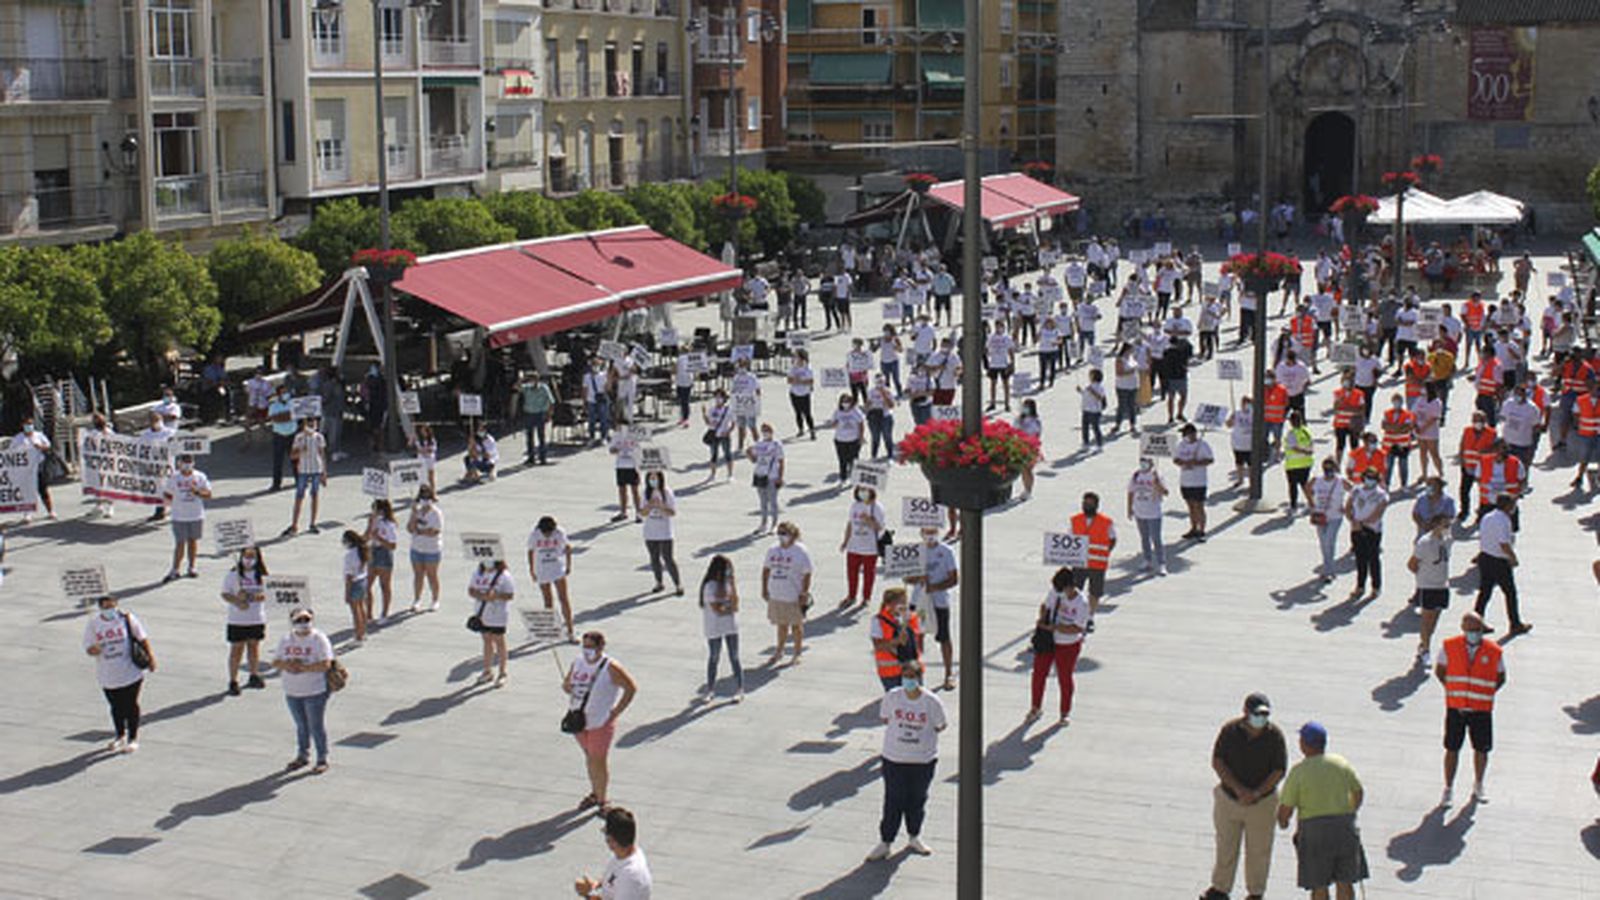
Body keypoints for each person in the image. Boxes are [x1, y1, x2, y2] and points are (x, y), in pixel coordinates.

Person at [1203, 693, 1287, 900]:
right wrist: (1238, 789)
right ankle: (1220, 888)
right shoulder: (1230, 731)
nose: (1261, 718)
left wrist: (1257, 793)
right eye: (1257, 714)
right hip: (1229, 799)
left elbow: (1278, 770)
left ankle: (1255, 892)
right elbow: (1218, 761)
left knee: (1259, 851)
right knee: (1226, 846)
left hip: (1262, 803)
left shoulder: (1274, 735)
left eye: (1264, 714)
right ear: (1246, 712)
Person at [865, 658, 947, 862]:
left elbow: (940, 725)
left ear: (919, 678)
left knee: (917, 799)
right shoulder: (892, 697)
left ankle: (914, 836)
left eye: (912, 677)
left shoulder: (931, 701)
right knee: (893, 800)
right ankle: (886, 842)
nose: (908, 681)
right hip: (894, 758)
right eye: (905, 677)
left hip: (922, 760)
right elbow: (886, 718)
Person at [1276, 722, 1368, 900]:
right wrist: (1350, 812)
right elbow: (1358, 792)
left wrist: (1283, 822)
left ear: (1304, 744)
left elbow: (1285, 809)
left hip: (1314, 832)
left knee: (1319, 884)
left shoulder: (1299, 772)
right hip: (1344, 828)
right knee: (1345, 881)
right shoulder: (1340, 763)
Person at [1434, 611, 1504, 806]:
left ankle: (1478, 784)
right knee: (1452, 748)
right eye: (1471, 630)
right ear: (1463, 629)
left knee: (1481, 749)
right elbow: (1440, 671)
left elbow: (1500, 677)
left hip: (1481, 709)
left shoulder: (1494, 651)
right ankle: (1448, 788)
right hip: (1456, 708)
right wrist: (1454, 691)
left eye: (1478, 630)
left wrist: (1484, 693)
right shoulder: (1450, 646)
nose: (1475, 633)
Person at [564, 631, 638, 813]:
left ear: (600, 647)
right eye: (585, 646)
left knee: (598, 760)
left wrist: (616, 712)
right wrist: (568, 687)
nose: (587, 650)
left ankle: (602, 798)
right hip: (579, 720)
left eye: (591, 647)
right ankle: (595, 792)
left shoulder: (610, 667)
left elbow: (630, 688)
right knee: (590, 759)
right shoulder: (578, 662)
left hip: (600, 722)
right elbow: (567, 683)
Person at [83, 594, 155, 753]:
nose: (110, 609)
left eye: (112, 606)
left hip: (130, 671)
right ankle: (120, 735)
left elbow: (142, 638)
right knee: (116, 706)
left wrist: (151, 658)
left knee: (131, 704)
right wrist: (94, 649)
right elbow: (88, 647)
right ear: (100, 608)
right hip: (108, 674)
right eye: (106, 607)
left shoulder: (127, 619)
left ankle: (133, 738)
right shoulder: (93, 625)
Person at [274, 607, 333, 774]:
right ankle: (302, 755)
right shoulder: (286, 639)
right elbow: (276, 661)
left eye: (306, 619)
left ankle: (322, 758)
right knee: (301, 725)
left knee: (316, 725)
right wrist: (288, 665)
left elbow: (326, 664)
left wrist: (304, 667)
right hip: (292, 691)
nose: (303, 623)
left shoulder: (318, 639)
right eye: (299, 620)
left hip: (315, 690)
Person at [1027, 567, 1090, 724]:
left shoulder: (1081, 602)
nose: (1059, 592)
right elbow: (1045, 606)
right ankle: (1035, 707)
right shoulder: (1056, 592)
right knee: (1039, 674)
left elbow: (1077, 628)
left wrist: (1056, 627)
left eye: (1062, 590)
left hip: (1068, 644)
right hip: (1048, 641)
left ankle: (1064, 712)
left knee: (1064, 677)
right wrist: (1043, 618)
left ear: (1070, 587)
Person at [905, 526, 958, 690]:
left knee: (944, 637)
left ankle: (949, 673)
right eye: (926, 532)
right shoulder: (915, 551)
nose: (930, 536)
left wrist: (935, 587)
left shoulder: (946, 551)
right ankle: (917, 674)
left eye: (933, 532)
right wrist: (918, 578)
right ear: (921, 533)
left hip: (939, 601)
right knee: (917, 637)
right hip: (918, 601)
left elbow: (954, 579)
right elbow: (907, 577)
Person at [1474, 493, 1528, 636]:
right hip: (1499, 561)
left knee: (1484, 592)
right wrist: (1513, 558)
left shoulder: (1487, 516)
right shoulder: (1504, 520)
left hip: (1485, 557)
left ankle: (1476, 621)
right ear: (1508, 506)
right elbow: (1504, 543)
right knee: (1510, 593)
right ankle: (1515, 624)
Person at [762, 522, 814, 665]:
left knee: (796, 626)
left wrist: (804, 592)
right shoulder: (772, 549)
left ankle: (797, 653)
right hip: (777, 593)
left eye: (784, 533)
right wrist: (764, 589)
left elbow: (807, 573)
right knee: (781, 625)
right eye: (779, 533)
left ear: (792, 534)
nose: (781, 536)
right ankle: (779, 651)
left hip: (793, 594)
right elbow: (766, 569)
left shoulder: (800, 551)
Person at [574, 807, 652, 900]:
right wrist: (596, 884)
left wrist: (587, 894)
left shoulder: (630, 876)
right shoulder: (629, 854)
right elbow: (614, 880)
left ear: (611, 841)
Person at [221, 547, 269, 696]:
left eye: (252, 556)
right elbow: (225, 593)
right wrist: (237, 601)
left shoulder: (261, 575)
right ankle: (233, 681)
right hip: (237, 619)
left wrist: (257, 597)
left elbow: (268, 592)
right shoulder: (233, 574)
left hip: (256, 618)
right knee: (237, 650)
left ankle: (254, 674)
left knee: (254, 648)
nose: (249, 559)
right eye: (246, 556)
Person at [1408, 517, 1454, 665]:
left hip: (1442, 585)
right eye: (1444, 524)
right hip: (1428, 586)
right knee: (1426, 619)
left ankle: (1423, 644)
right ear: (1435, 525)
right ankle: (1426, 649)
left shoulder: (1447, 540)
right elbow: (1412, 564)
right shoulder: (1425, 542)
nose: (1447, 527)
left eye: (1448, 524)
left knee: (1434, 620)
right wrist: (1423, 577)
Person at [698, 554, 743, 702]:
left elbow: (735, 605)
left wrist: (733, 584)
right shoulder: (709, 586)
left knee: (734, 657)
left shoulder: (728, 584)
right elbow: (718, 609)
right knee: (714, 657)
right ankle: (710, 689)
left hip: (730, 626)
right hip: (714, 626)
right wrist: (728, 607)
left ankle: (739, 689)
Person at [160, 453, 211, 583]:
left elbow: (208, 494)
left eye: (190, 462)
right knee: (180, 543)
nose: (187, 465)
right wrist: (169, 506)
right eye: (185, 462)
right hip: (179, 516)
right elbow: (167, 494)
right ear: (179, 463)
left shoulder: (200, 476)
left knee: (193, 541)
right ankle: (175, 569)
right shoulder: (174, 478)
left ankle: (192, 567)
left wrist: (198, 492)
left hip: (195, 514)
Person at [1069, 491, 1117, 626]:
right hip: (1080, 562)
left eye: (1089, 503)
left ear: (1096, 505)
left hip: (1097, 563)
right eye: (1084, 503)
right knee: (1076, 590)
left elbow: (1112, 539)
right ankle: (1076, 614)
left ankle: (1090, 617)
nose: (1086, 506)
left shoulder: (1106, 522)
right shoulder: (1075, 520)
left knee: (1094, 592)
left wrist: (1105, 553)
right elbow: (1070, 539)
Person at [468, 557, 515, 687]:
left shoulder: (504, 575)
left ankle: (502, 672)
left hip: (498, 615)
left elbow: (510, 595)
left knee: (499, 641)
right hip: (482, 614)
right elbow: (471, 590)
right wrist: (481, 596)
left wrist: (496, 596)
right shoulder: (478, 573)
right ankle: (487, 671)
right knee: (486, 640)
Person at [529, 514, 577, 640]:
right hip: (542, 568)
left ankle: (570, 630)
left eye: (549, 533)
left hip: (557, 568)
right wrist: (532, 570)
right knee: (548, 600)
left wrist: (568, 565)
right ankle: (551, 629)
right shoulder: (535, 534)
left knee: (564, 599)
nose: (547, 535)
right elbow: (530, 551)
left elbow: (567, 548)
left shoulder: (559, 532)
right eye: (545, 533)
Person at [841, 485, 887, 609]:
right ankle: (851, 596)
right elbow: (850, 524)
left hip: (870, 548)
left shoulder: (877, 507)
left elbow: (880, 528)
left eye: (865, 490)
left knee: (868, 574)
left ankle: (866, 598)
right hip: (854, 546)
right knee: (852, 573)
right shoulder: (855, 505)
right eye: (861, 489)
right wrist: (845, 541)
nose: (863, 492)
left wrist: (868, 520)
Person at [1344, 471, 1387, 599]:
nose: (1370, 480)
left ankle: (1376, 587)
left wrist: (1362, 524)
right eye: (1368, 478)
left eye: (1373, 478)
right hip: (1356, 528)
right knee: (1360, 559)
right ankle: (1360, 586)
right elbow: (1348, 506)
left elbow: (1378, 513)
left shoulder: (1381, 494)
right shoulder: (1356, 490)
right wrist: (1352, 520)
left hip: (1372, 530)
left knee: (1373, 559)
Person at [869, 587, 923, 691]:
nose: (904, 605)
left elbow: (918, 641)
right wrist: (896, 641)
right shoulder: (878, 621)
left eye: (905, 601)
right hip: (891, 672)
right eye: (900, 602)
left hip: (912, 669)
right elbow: (878, 646)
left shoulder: (912, 618)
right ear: (889, 604)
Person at [640, 471, 683, 595]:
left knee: (668, 558)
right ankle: (659, 582)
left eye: (655, 478)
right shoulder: (645, 493)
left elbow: (672, 512)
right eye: (650, 478)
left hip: (664, 532)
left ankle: (678, 584)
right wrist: (649, 506)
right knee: (654, 558)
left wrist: (661, 506)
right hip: (650, 532)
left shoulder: (667, 492)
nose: (653, 481)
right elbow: (642, 513)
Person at [283, 416, 326, 536]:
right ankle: (294, 524)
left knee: (315, 495)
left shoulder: (319, 437)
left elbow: (322, 455)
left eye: (314, 423)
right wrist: (301, 450)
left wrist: (324, 473)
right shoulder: (299, 437)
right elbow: (292, 456)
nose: (312, 426)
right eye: (309, 423)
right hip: (303, 470)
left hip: (316, 469)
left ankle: (313, 523)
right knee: (299, 496)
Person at [1128, 456, 1169, 575]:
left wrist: (1157, 483)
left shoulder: (1157, 476)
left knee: (1156, 538)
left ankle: (1162, 563)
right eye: (1142, 462)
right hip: (1140, 512)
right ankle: (1147, 560)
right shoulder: (1136, 475)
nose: (1143, 464)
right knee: (1144, 538)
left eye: (1146, 462)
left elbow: (1165, 492)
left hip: (1154, 512)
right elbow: (1130, 492)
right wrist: (1129, 508)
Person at [11, 414, 56, 522]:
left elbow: (48, 446)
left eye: (31, 424)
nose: (29, 426)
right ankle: (27, 513)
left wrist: (40, 447)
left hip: (38, 466)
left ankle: (50, 511)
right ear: (22, 425)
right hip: (25, 469)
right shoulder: (18, 438)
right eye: (27, 424)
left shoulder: (39, 435)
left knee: (43, 490)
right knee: (27, 491)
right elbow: (11, 452)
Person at [1309, 458, 1347, 584]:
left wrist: (1347, 506)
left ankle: (1328, 571)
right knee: (1323, 543)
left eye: (1331, 468)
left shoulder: (1340, 481)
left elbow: (1355, 491)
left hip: (1335, 516)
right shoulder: (1317, 480)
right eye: (1326, 468)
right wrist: (1311, 503)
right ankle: (1328, 567)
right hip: (1320, 515)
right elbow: (1307, 489)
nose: (1328, 471)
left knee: (1329, 541)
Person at [1174, 423, 1215, 540]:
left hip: (1199, 481)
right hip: (1185, 481)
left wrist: (1196, 463)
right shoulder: (1181, 445)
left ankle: (1201, 530)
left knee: (1199, 506)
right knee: (1191, 506)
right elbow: (1176, 459)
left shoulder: (1203, 445)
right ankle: (1193, 528)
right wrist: (1183, 463)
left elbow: (1210, 460)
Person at [407, 486, 444, 613]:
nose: (425, 500)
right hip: (417, 548)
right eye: (423, 497)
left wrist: (419, 531)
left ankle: (435, 600)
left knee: (431, 575)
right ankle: (417, 600)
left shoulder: (436, 513)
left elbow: (434, 531)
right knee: (418, 575)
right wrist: (413, 514)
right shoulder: (416, 511)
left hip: (432, 550)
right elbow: (410, 528)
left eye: (428, 497)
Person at [747, 423, 785, 534]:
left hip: (772, 476)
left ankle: (774, 524)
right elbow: (754, 460)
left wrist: (780, 477)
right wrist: (749, 454)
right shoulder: (759, 444)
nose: (765, 433)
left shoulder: (776, 444)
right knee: (763, 502)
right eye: (763, 430)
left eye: (767, 430)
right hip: (760, 475)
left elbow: (781, 461)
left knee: (773, 502)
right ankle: (763, 524)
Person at [365, 499, 398, 625]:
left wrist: (379, 538)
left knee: (384, 586)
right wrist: (370, 525)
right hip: (373, 551)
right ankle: (369, 614)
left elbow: (393, 545)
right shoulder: (374, 521)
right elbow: (366, 536)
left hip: (384, 553)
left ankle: (384, 613)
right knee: (367, 585)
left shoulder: (389, 524)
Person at [826, 393, 867, 483]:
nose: (845, 403)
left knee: (853, 460)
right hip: (840, 440)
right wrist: (834, 424)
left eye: (847, 401)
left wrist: (861, 437)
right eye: (843, 401)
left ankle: (854, 477)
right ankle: (843, 477)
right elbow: (832, 424)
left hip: (853, 440)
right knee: (842, 460)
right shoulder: (837, 412)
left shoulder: (855, 411)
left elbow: (861, 424)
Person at [520, 371, 557, 465]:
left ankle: (542, 458)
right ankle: (531, 457)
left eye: (533, 379)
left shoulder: (544, 388)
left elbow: (551, 401)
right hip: (529, 413)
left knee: (541, 436)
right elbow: (515, 388)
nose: (531, 381)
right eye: (530, 379)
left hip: (540, 414)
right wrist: (521, 379)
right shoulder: (527, 388)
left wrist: (549, 414)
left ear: (537, 380)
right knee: (529, 437)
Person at [340, 530, 370, 645]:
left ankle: (358, 636)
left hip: (354, 583)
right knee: (361, 608)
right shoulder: (362, 551)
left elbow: (349, 576)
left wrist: (347, 593)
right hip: (363, 581)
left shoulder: (349, 555)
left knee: (355, 612)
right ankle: (363, 632)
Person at [608, 428, 643, 522]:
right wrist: (615, 449)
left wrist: (638, 468)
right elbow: (611, 450)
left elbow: (638, 451)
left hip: (632, 465)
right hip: (620, 465)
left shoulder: (633, 435)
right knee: (622, 490)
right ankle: (623, 512)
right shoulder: (616, 435)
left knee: (635, 490)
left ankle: (639, 513)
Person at [1283, 410, 1315, 511]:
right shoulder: (1306, 431)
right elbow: (1311, 445)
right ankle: (1311, 503)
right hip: (1306, 463)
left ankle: (1293, 506)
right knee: (1304, 484)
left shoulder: (1291, 434)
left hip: (1293, 464)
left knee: (1293, 486)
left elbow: (1293, 447)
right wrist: (1308, 452)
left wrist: (1305, 451)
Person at [267, 383, 297, 492]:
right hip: (279, 435)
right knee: (278, 461)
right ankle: (276, 484)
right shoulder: (273, 406)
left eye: (286, 392)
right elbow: (275, 419)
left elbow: (296, 415)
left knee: (295, 458)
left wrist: (286, 416)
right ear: (278, 394)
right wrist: (288, 416)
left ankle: (298, 479)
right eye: (283, 392)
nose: (285, 394)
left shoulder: (293, 403)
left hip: (292, 434)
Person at [702, 390, 735, 482]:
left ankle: (730, 474)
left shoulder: (728, 410)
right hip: (714, 434)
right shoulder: (712, 409)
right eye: (716, 397)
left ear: (724, 399)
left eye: (720, 397)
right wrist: (704, 414)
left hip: (724, 434)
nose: (718, 399)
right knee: (713, 455)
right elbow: (708, 423)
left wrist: (728, 431)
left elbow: (733, 423)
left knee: (727, 454)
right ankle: (712, 475)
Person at [865, 373, 897, 459]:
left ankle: (890, 455)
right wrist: (868, 405)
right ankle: (874, 456)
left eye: (882, 382)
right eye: (878, 382)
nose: (880, 384)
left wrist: (884, 394)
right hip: (874, 416)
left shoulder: (889, 391)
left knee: (887, 437)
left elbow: (891, 405)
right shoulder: (870, 391)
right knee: (875, 437)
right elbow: (867, 405)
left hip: (886, 416)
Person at [787, 349, 817, 440]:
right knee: (798, 412)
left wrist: (799, 381)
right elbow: (789, 380)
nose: (795, 358)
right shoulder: (793, 368)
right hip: (794, 393)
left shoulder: (807, 368)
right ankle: (800, 429)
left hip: (805, 393)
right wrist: (798, 381)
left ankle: (812, 431)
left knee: (807, 413)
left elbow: (810, 381)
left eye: (796, 356)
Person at [583, 357, 613, 444]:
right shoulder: (586, 377)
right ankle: (591, 437)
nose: (595, 367)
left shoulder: (603, 375)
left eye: (597, 365)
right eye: (593, 365)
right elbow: (585, 389)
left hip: (602, 400)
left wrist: (609, 380)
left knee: (603, 419)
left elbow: (608, 389)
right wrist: (584, 401)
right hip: (591, 400)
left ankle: (604, 437)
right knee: (591, 420)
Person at [1078, 368, 1108, 450]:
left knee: (1095, 428)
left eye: (1090, 375)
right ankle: (1086, 443)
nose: (1089, 377)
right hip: (1086, 409)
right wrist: (1080, 391)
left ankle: (1099, 444)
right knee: (1085, 427)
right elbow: (1085, 394)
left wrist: (1092, 391)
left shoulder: (1100, 387)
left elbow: (1100, 397)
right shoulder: (1089, 386)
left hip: (1095, 411)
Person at [411, 423, 439, 493]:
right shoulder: (418, 440)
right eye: (422, 431)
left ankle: (433, 492)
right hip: (421, 460)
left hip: (430, 460)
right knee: (422, 478)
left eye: (425, 431)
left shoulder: (432, 440)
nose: (423, 433)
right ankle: (422, 493)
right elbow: (417, 449)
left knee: (431, 477)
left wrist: (425, 450)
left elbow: (432, 449)